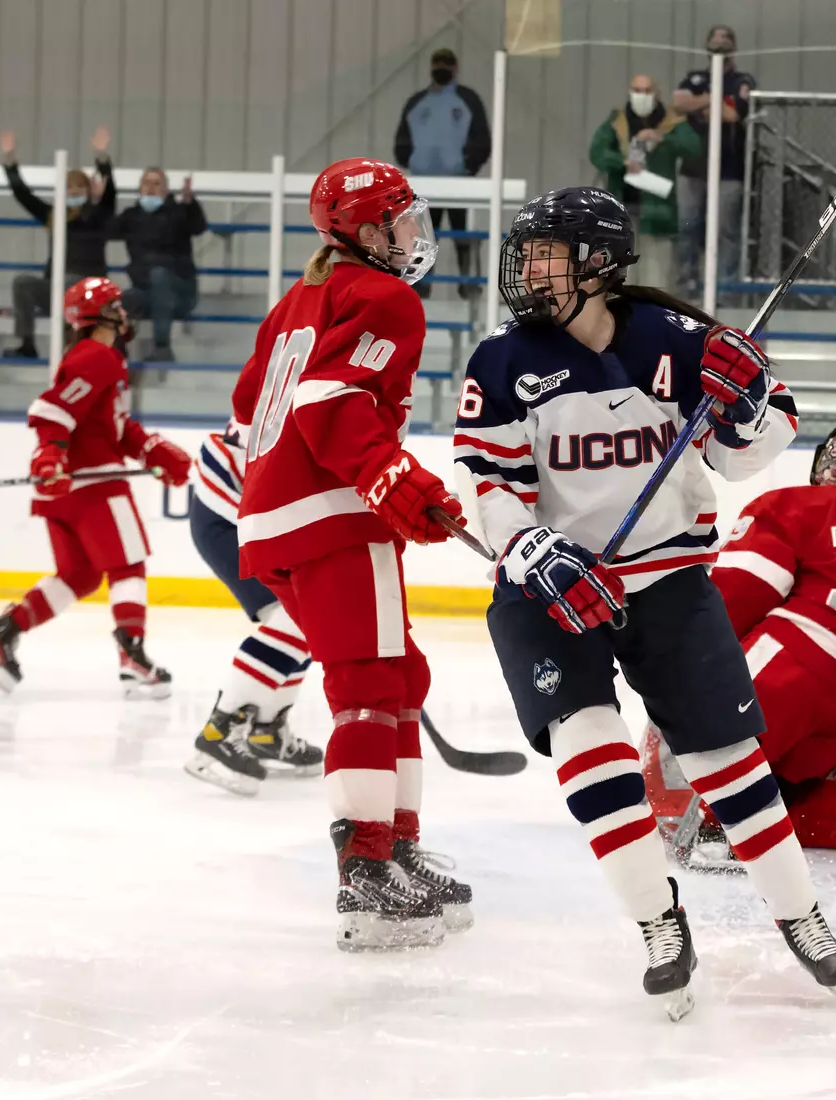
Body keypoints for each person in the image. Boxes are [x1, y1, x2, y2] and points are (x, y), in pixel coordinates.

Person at [454, 186, 836, 1021]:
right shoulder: (501, 359)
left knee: (725, 760)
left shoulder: (675, 344)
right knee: (592, 756)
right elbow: (487, 485)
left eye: (546, 252)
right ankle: (657, 922)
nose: (526, 269)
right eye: (524, 253)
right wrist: (533, 549)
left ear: (597, 262)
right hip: (551, 589)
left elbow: (751, 452)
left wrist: (746, 404)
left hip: (665, 580)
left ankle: (800, 913)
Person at [231, 158, 473, 951]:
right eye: (400, 220)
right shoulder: (383, 296)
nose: (414, 234)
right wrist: (393, 477)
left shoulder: (300, 299)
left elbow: (248, 402)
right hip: (330, 510)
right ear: (367, 231)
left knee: (402, 673)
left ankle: (394, 851)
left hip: (272, 517)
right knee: (370, 682)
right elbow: (332, 403)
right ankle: (366, 871)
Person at [645, 418, 836, 867]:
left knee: (707, 734)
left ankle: (708, 822)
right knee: (783, 788)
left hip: (795, 666)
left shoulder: (791, 503)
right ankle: (755, 829)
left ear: (821, 465)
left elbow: (740, 593)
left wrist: (683, 668)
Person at [0, 276, 193, 698]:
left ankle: (3, 633)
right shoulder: (98, 357)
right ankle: (133, 658)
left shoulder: (97, 357)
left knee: (80, 575)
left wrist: (151, 450)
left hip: (66, 488)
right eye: (117, 306)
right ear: (104, 313)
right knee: (128, 565)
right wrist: (49, 453)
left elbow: (113, 428)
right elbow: (52, 409)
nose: (125, 313)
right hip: (94, 483)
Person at [183, 417, 324, 797]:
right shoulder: (305, 367)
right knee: (297, 620)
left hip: (249, 503)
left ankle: (266, 732)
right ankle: (219, 732)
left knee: (307, 621)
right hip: (234, 511)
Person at [0, 126, 118, 359]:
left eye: (79, 186)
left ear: (88, 189)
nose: (74, 192)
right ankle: (27, 343)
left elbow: (110, 192)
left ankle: (72, 346)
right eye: (69, 187)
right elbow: (22, 194)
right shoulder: (54, 215)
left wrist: (102, 158)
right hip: (57, 288)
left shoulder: (97, 216)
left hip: (89, 290)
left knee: (70, 281)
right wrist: (9, 160)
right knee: (22, 283)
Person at [394, 48, 491, 299]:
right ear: (430, 67)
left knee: (463, 236)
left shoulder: (468, 101)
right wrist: (413, 160)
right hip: (425, 184)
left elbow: (482, 138)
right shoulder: (417, 102)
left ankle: (467, 284)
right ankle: (420, 285)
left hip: (459, 183)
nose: (442, 68)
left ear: (455, 68)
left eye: (447, 64)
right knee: (422, 237)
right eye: (438, 63)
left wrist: (467, 166)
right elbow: (402, 140)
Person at [588, 74, 701, 290]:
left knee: (656, 274)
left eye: (647, 90)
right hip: (622, 205)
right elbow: (597, 151)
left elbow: (694, 147)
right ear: (629, 92)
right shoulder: (617, 120)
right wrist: (623, 162)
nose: (642, 96)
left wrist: (663, 138)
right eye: (637, 90)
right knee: (622, 270)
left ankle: (656, 317)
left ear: (657, 94)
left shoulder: (671, 121)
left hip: (657, 210)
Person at [672, 25, 755, 296]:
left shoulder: (743, 80)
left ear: (734, 46)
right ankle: (687, 283)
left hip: (730, 169)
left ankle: (725, 287)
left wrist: (703, 102)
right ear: (706, 44)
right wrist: (714, 99)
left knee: (726, 230)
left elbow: (733, 115)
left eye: (725, 38)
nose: (719, 43)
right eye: (715, 38)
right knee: (687, 225)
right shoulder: (694, 77)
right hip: (693, 168)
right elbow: (678, 103)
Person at [114, 168, 207, 362]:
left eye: (157, 183)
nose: (150, 188)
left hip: (180, 294)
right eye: (146, 183)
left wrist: (190, 203)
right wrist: (99, 200)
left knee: (159, 276)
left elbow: (198, 227)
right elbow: (103, 230)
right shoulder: (131, 216)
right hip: (145, 292)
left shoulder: (179, 212)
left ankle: (162, 347)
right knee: (118, 301)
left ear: (166, 189)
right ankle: (115, 359)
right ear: (139, 188)